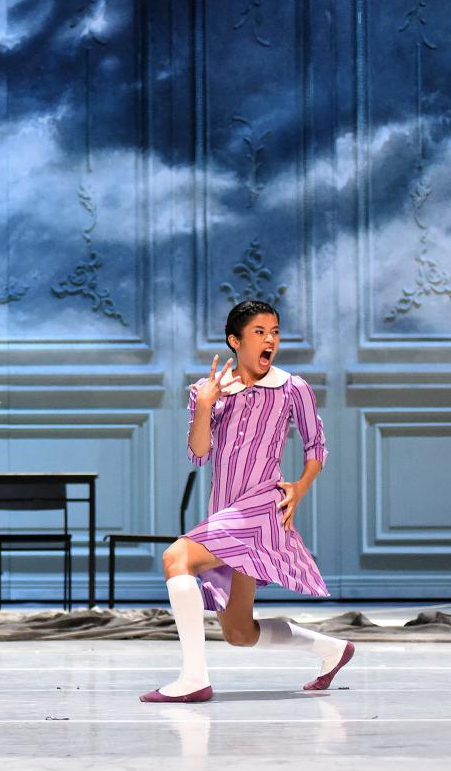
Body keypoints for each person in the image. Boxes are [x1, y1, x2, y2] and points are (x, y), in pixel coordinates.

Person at [141, 301, 354, 703]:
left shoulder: (292, 387)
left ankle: (193, 679)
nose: (270, 339)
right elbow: (198, 454)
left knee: (176, 558)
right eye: (259, 332)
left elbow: (316, 446)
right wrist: (205, 404)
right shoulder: (208, 391)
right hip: (224, 511)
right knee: (239, 632)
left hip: (261, 509)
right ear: (234, 341)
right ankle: (332, 649)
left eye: (274, 331)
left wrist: (301, 486)